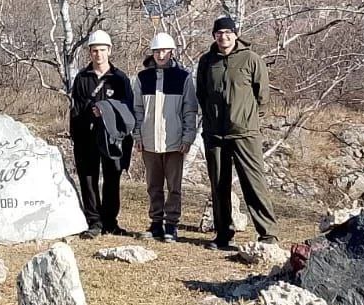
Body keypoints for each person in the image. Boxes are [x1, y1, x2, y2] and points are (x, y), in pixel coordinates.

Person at [195, 16, 279, 251]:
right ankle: (223, 234)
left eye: (227, 32)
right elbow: (201, 93)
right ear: (214, 36)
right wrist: (211, 119)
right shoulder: (207, 61)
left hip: (244, 133)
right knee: (218, 185)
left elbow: (262, 96)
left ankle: (268, 234)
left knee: (254, 182)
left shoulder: (251, 59)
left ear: (235, 34)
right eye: (219, 33)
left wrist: (247, 119)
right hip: (215, 133)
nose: (224, 37)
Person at [69, 30, 135, 239]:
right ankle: (94, 222)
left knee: (112, 178)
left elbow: (127, 109)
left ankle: (110, 222)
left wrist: (106, 110)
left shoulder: (120, 78)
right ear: (90, 52)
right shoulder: (82, 78)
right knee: (88, 179)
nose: (98, 54)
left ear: (109, 51)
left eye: (102, 50)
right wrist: (77, 134)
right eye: (95, 50)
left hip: (112, 137)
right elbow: (76, 109)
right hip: (86, 136)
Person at [133, 32, 198, 242]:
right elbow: (137, 110)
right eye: (157, 51)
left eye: (164, 51)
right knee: (153, 186)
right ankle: (155, 224)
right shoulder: (143, 78)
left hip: (175, 142)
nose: (160, 55)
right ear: (152, 53)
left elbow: (190, 110)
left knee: (174, 187)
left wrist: (187, 138)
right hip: (149, 141)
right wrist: (137, 135)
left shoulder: (183, 77)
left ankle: (171, 225)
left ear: (172, 52)